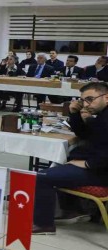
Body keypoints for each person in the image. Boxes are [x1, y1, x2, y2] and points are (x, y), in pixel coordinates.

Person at [32, 82, 108, 235]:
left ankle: (43, 224)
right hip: (97, 164)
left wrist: (86, 164)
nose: (85, 104)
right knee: (61, 166)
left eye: (90, 99)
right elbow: (85, 134)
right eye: (83, 100)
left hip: (101, 171)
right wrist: (74, 114)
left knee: (42, 176)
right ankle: (73, 210)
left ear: (106, 97)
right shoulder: (102, 115)